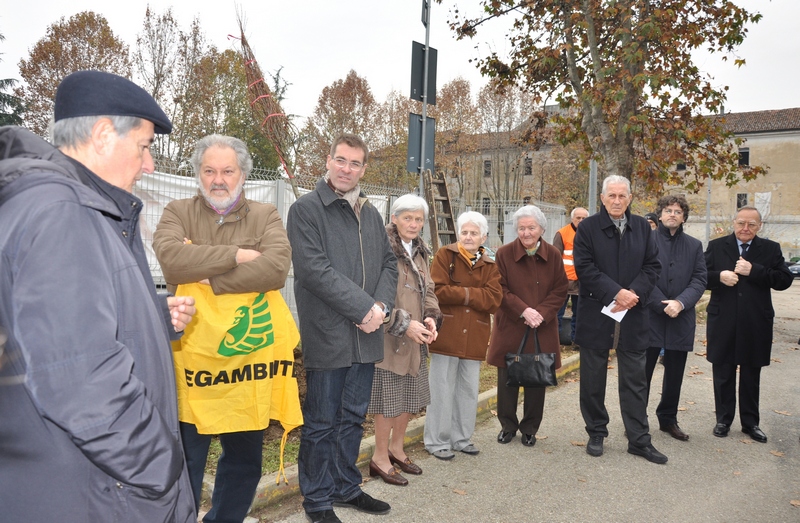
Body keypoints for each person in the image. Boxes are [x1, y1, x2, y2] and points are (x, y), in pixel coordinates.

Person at [0, 70, 197, 522]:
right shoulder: (61, 212)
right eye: (144, 146)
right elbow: (80, 382)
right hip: (98, 492)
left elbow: (43, 333)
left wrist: (149, 316)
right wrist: (162, 471)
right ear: (105, 134)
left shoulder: (54, 205)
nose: (149, 164)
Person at [152, 134, 292, 522]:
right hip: (192, 362)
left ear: (242, 174)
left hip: (245, 364)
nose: (218, 179)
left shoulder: (265, 215)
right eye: (209, 170)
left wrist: (206, 277)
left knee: (244, 460)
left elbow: (276, 268)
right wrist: (238, 256)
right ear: (198, 173)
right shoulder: (178, 211)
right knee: (187, 459)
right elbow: (172, 262)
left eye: (227, 170)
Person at [287, 134, 397, 523]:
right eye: (341, 160)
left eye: (355, 163)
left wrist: (381, 307)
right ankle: (316, 499)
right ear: (328, 160)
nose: (346, 169)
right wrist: (364, 307)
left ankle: (344, 487)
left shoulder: (370, 213)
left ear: (364, 169)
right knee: (321, 422)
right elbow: (314, 271)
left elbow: (389, 263)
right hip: (329, 332)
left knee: (352, 416)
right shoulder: (306, 209)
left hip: (367, 333)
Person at [573, 175, 666, 464]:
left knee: (635, 380)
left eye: (621, 196)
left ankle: (639, 439)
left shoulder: (642, 227)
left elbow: (653, 266)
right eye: (611, 195)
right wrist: (616, 293)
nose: (616, 201)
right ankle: (596, 432)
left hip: (635, 313)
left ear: (630, 197)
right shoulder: (587, 228)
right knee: (592, 378)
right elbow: (584, 268)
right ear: (602, 198)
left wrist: (633, 293)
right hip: (596, 312)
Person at [367, 194, 442, 486]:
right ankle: (380, 457)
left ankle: (397, 449)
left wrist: (432, 318)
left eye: (419, 219)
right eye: (407, 218)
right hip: (389, 336)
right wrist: (404, 323)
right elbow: (375, 294)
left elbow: (430, 288)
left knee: (409, 399)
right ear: (394, 218)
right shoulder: (382, 247)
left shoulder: (421, 251)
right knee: (389, 401)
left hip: (416, 338)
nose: (413, 224)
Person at [705, 206, 793, 443]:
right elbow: (700, 276)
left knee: (751, 372)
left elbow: (784, 280)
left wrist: (755, 270)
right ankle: (723, 419)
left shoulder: (770, 249)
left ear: (759, 226)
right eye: (741, 223)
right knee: (723, 370)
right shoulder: (716, 246)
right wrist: (719, 277)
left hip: (756, 321)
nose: (745, 228)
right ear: (733, 222)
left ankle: (750, 422)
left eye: (751, 224)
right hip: (723, 318)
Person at [423, 211, 502, 460]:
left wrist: (461, 293)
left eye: (474, 233)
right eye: (465, 232)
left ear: (483, 237)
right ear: (459, 234)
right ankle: (436, 441)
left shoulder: (490, 264)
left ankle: (462, 438)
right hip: (447, 332)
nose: (468, 237)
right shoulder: (445, 255)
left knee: (468, 389)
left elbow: (494, 299)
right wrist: (472, 294)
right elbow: (438, 290)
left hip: (475, 335)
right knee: (441, 389)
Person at [487, 205, 568, 447]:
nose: (526, 233)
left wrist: (540, 313)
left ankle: (530, 428)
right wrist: (523, 310)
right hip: (511, 324)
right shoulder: (503, 253)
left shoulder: (553, 254)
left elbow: (560, 289)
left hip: (541, 327)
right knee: (507, 380)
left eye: (531, 227)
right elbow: (499, 288)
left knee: (537, 378)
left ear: (541, 229)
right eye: (521, 228)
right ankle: (508, 426)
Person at [644, 195, 707, 441]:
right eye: (668, 210)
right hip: (650, 315)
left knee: (675, 374)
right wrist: (662, 304)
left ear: (683, 217)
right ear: (659, 215)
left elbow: (700, 278)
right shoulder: (645, 240)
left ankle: (668, 419)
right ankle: (638, 421)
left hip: (681, 317)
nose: (672, 214)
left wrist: (680, 302)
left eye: (678, 212)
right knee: (643, 374)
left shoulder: (694, 245)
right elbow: (641, 274)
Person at [553, 207, 589, 346]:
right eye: (578, 218)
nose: (580, 221)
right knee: (557, 314)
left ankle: (577, 341)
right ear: (572, 218)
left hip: (582, 281)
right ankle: (554, 341)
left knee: (579, 314)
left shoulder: (590, 233)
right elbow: (555, 259)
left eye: (583, 218)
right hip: (564, 281)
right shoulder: (562, 234)